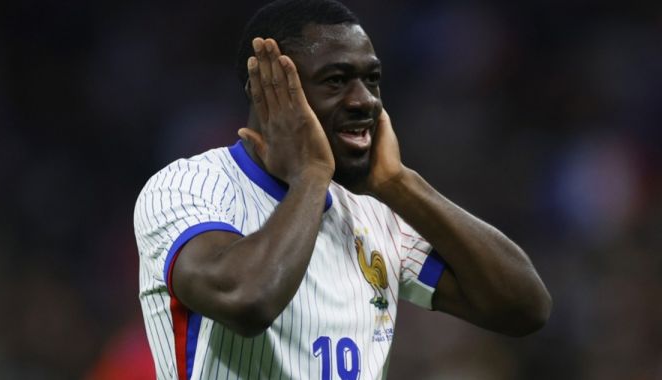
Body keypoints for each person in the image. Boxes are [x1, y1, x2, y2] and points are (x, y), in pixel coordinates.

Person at [133, 0, 552, 379]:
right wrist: (313, 174)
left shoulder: (373, 212)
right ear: (266, 93)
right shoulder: (187, 187)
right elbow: (247, 299)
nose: (364, 100)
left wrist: (400, 184)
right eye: (335, 81)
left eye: (371, 80)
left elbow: (524, 308)